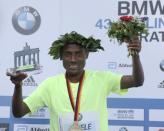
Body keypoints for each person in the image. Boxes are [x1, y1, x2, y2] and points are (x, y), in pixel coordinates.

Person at [7, 31, 144, 131]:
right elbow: (18, 112)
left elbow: (137, 81)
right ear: (61, 56)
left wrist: (135, 54)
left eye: (78, 54)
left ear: (86, 55)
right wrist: (18, 86)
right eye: (68, 54)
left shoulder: (102, 79)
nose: (73, 59)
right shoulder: (50, 85)